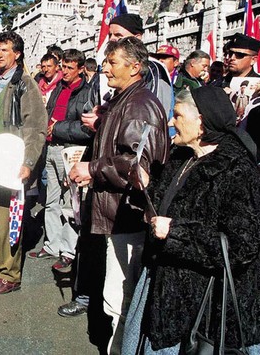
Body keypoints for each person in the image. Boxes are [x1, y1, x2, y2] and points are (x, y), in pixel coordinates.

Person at [121, 86, 260, 354]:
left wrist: (174, 231)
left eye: (178, 116)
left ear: (201, 122)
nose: (172, 123)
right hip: (167, 287)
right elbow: (171, 203)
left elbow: (241, 246)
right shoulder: (184, 157)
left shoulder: (236, 170)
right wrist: (146, 188)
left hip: (212, 300)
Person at [69, 37, 170, 354]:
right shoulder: (124, 100)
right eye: (107, 61)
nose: (106, 68)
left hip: (126, 216)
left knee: (121, 299)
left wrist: (93, 169)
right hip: (114, 213)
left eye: (113, 62)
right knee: (114, 297)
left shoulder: (139, 106)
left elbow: (137, 164)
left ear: (135, 67)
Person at [0, 31, 47, 295]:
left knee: (8, 222)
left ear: (17, 54)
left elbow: (36, 126)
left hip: (9, 164)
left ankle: (10, 275)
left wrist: (28, 162)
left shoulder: (25, 84)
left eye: (5, 50)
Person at [28, 49, 98, 276]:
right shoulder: (58, 87)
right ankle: (52, 244)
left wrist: (57, 127)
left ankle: (68, 250)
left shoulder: (87, 93)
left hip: (70, 151)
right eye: (63, 67)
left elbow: (87, 128)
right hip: (51, 147)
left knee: (70, 203)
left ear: (80, 69)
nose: (65, 71)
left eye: (70, 68)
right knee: (51, 200)